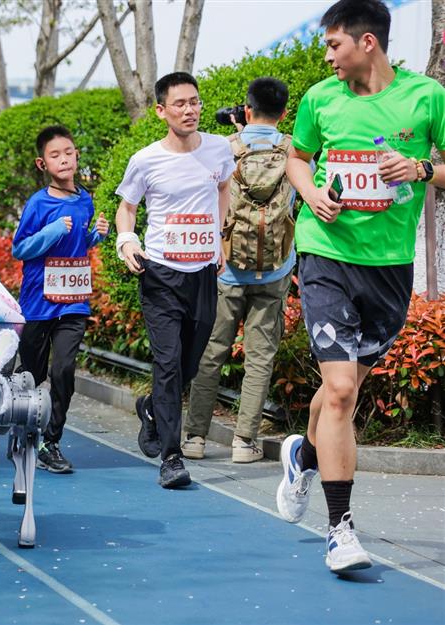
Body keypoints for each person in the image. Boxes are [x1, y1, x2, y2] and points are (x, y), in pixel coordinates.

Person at [278, 0, 444, 574]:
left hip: (390, 267)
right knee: (343, 389)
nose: (327, 55)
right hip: (326, 255)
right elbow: (297, 158)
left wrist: (422, 170)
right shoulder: (321, 99)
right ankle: (340, 529)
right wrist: (310, 192)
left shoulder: (426, 97)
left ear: (367, 43)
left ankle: (303, 452)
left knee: (339, 395)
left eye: (333, 45)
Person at [114, 72, 234, 489]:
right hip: (161, 273)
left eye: (195, 102)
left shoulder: (219, 149)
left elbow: (223, 189)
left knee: (189, 362)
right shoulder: (146, 160)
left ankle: (151, 407)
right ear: (162, 111)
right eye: (180, 104)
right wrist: (127, 242)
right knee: (167, 363)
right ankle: (171, 457)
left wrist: (220, 239)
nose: (190, 110)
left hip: (202, 272)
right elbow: (126, 208)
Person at [183, 77, 296, 464]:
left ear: (245, 111)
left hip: (228, 268)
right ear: (283, 113)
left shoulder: (223, 150)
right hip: (276, 268)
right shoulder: (294, 151)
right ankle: (243, 442)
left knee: (212, 352)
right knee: (260, 357)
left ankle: (195, 438)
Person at [13, 125, 109, 474]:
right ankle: (23, 432)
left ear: (77, 155)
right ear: (43, 164)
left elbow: (81, 244)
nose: (64, 159)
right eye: (55, 155)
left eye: (69, 152)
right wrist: (53, 230)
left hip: (74, 301)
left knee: (64, 369)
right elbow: (20, 248)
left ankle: (51, 441)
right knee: (31, 376)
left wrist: (97, 234)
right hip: (38, 301)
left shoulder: (85, 199)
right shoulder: (38, 203)